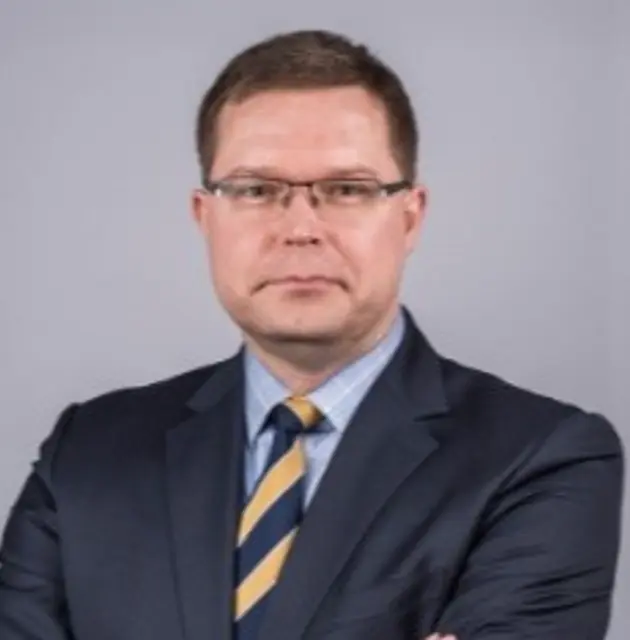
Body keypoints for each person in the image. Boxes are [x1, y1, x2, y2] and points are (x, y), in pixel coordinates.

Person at [0, 29, 624, 640]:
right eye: (255, 189)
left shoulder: (542, 458)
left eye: (347, 190)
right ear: (205, 217)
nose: (300, 229)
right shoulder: (85, 453)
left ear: (409, 218)